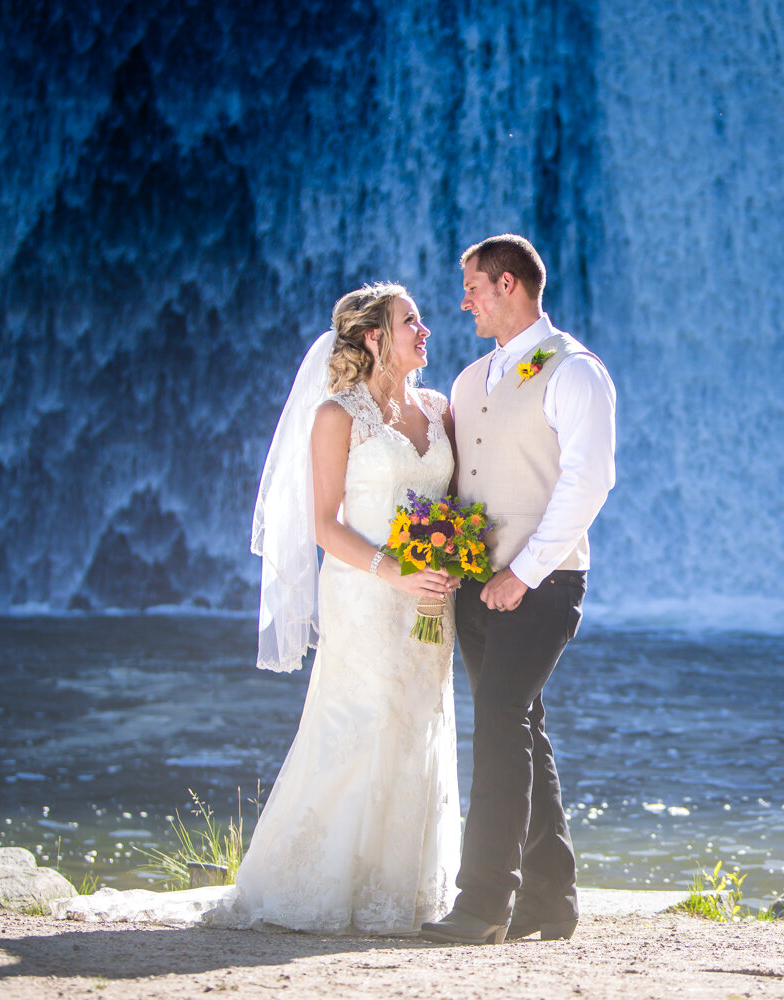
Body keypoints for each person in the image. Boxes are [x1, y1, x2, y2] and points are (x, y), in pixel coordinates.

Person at [237, 282, 463, 933]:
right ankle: (316, 884)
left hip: (430, 596)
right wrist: (397, 572)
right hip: (367, 592)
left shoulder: (439, 407)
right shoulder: (338, 415)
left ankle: (402, 889)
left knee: (420, 726)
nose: (426, 329)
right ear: (374, 338)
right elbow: (324, 524)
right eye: (410, 321)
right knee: (361, 723)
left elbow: (448, 504)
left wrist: (452, 560)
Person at [419, 235, 616, 946]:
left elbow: (589, 481)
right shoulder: (472, 380)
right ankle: (550, 903)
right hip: (476, 585)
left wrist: (523, 572)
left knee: (500, 723)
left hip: (545, 583)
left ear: (507, 284)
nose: (462, 299)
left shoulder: (575, 372)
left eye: (471, 285)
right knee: (521, 727)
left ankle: (482, 906)